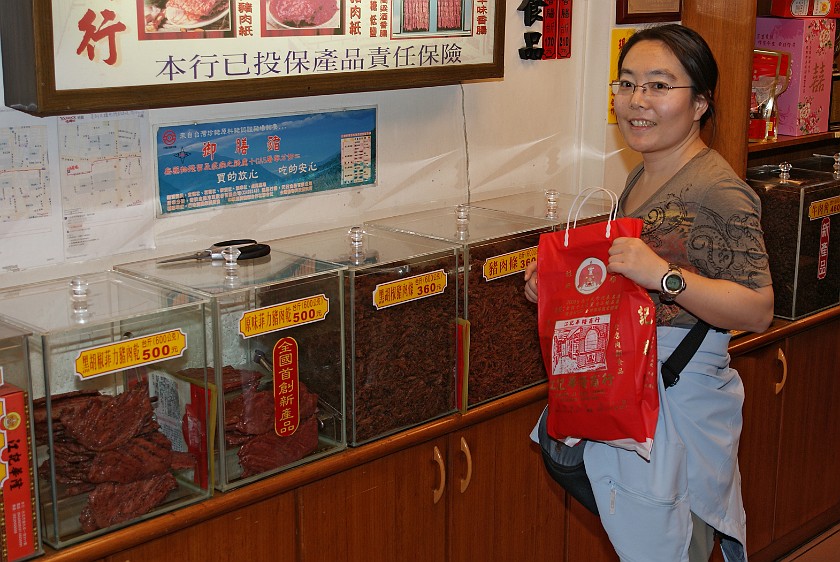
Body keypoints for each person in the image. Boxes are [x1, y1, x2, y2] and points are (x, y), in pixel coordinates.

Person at [524, 24, 774, 562]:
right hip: (636, 391)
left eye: (660, 86)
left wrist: (663, 275)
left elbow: (758, 309)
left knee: (677, 540)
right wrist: (560, 286)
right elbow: (627, 289)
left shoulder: (719, 189)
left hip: (678, 404)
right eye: (628, 83)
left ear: (701, 102)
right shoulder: (642, 176)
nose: (638, 101)